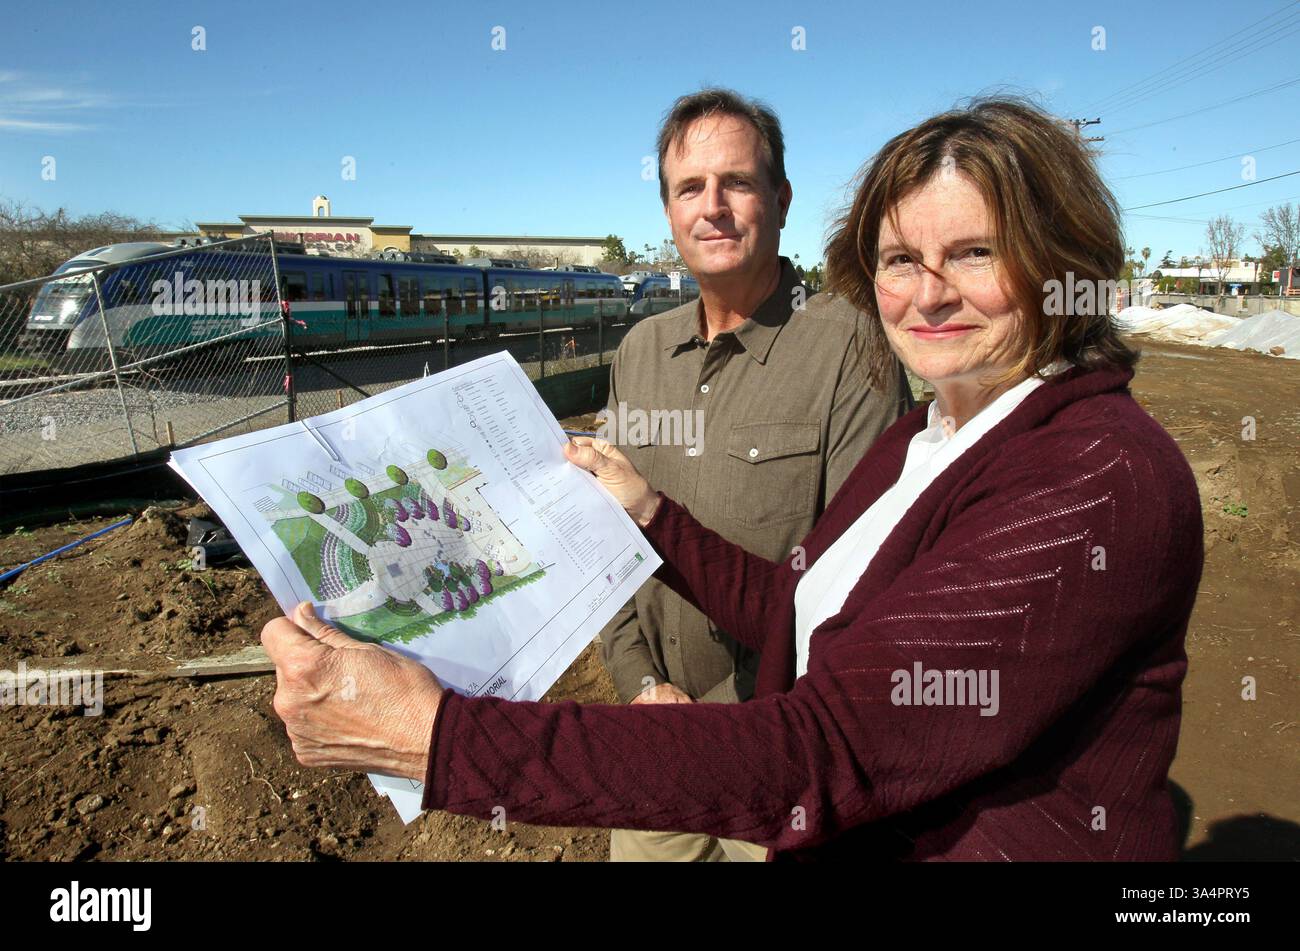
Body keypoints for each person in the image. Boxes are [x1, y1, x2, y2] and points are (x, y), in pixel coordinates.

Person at [261, 97, 1204, 861]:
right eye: (899, 259)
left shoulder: (1094, 476)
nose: (927, 293)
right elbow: (800, 607)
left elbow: (823, 747)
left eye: (975, 252)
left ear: (1060, 260)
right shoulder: (931, 434)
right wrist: (652, 518)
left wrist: (439, 740)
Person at [596, 89, 910, 862]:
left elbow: (860, 599)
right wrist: (640, 683)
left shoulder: (852, 351)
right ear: (668, 211)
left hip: (778, 765)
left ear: (781, 198)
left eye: (736, 182)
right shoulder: (640, 351)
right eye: (688, 188)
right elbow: (605, 541)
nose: (714, 208)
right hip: (654, 744)